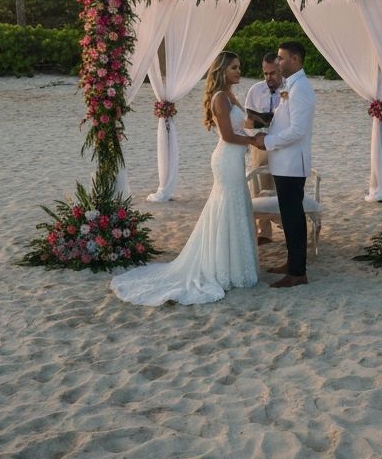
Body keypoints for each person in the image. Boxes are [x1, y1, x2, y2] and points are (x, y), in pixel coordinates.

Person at [111, 51, 259, 306]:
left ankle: (234, 265)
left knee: (234, 205)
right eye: (234, 67)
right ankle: (222, 267)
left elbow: (240, 124)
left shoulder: (231, 95)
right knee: (227, 206)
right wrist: (253, 140)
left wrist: (257, 122)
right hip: (226, 158)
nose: (239, 71)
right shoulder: (220, 98)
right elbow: (227, 135)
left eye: (239, 66)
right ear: (222, 70)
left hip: (235, 158)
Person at [250, 40, 316, 288]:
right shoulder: (292, 86)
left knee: (293, 218)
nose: (277, 62)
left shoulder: (302, 90)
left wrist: (268, 141)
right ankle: (291, 264)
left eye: (281, 58)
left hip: (291, 165)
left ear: (295, 60)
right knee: (289, 217)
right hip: (283, 163)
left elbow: (298, 130)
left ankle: (298, 273)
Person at [244, 53, 283, 244]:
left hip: (282, 144)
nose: (268, 78)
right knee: (260, 184)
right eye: (265, 73)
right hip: (260, 144)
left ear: (280, 69)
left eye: (272, 73)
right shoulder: (255, 90)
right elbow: (248, 121)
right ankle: (264, 232)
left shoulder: (289, 89)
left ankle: (285, 224)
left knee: (280, 185)